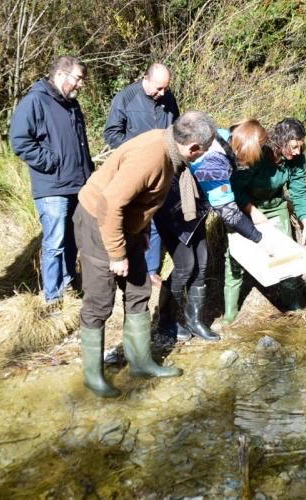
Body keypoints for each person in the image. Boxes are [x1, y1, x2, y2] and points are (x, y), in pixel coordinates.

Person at [74, 110, 216, 398]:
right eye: (203, 151)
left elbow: (141, 201)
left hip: (126, 226)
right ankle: (93, 377)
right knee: (100, 301)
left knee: (138, 290)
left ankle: (140, 363)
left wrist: (139, 234)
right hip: (97, 221)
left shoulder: (167, 149)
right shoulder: (151, 155)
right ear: (192, 147)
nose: (201, 157)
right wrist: (116, 253)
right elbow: (111, 203)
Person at [156, 119, 273, 342]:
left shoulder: (223, 135)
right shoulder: (214, 161)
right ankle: (165, 323)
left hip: (194, 208)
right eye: (252, 155)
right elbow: (227, 211)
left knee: (201, 263)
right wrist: (259, 239)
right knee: (185, 266)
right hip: (173, 208)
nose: (250, 162)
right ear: (245, 146)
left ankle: (194, 321)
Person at [9, 55, 93, 313]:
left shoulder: (71, 104)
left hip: (78, 185)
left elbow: (81, 145)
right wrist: (51, 162)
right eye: (78, 79)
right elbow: (20, 140)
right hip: (52, 187)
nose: (80, 85)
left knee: (72, 241)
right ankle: (52, 298)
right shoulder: (35, 101)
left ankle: (70, 285)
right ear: (61, 75)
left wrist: (89, 175)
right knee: (55, 242)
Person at [224, 118, 306, 323]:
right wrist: (252, 212)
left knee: (286, 257)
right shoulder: (258, 153)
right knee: (234, 259)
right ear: (281, 142)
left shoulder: (297, 160)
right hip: (244, 208)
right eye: (293, 147)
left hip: (275, 207)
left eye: (301, 147)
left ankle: (291, 305)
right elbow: (236, 188)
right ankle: (230, 313)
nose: (298, 152)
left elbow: (299, 191)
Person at [103, 63, 180, 288]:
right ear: (145, 78)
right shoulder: (125, 98)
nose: (162, 93)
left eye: (165, 88)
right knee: (132, 218)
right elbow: (111, 133)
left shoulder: (168, 98)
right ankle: (126, 268)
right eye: (158, 88)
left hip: (163, 168)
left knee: (154, 216)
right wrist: (136, 151)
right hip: (134, 169)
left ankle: (151, 270)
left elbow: (176, 129)